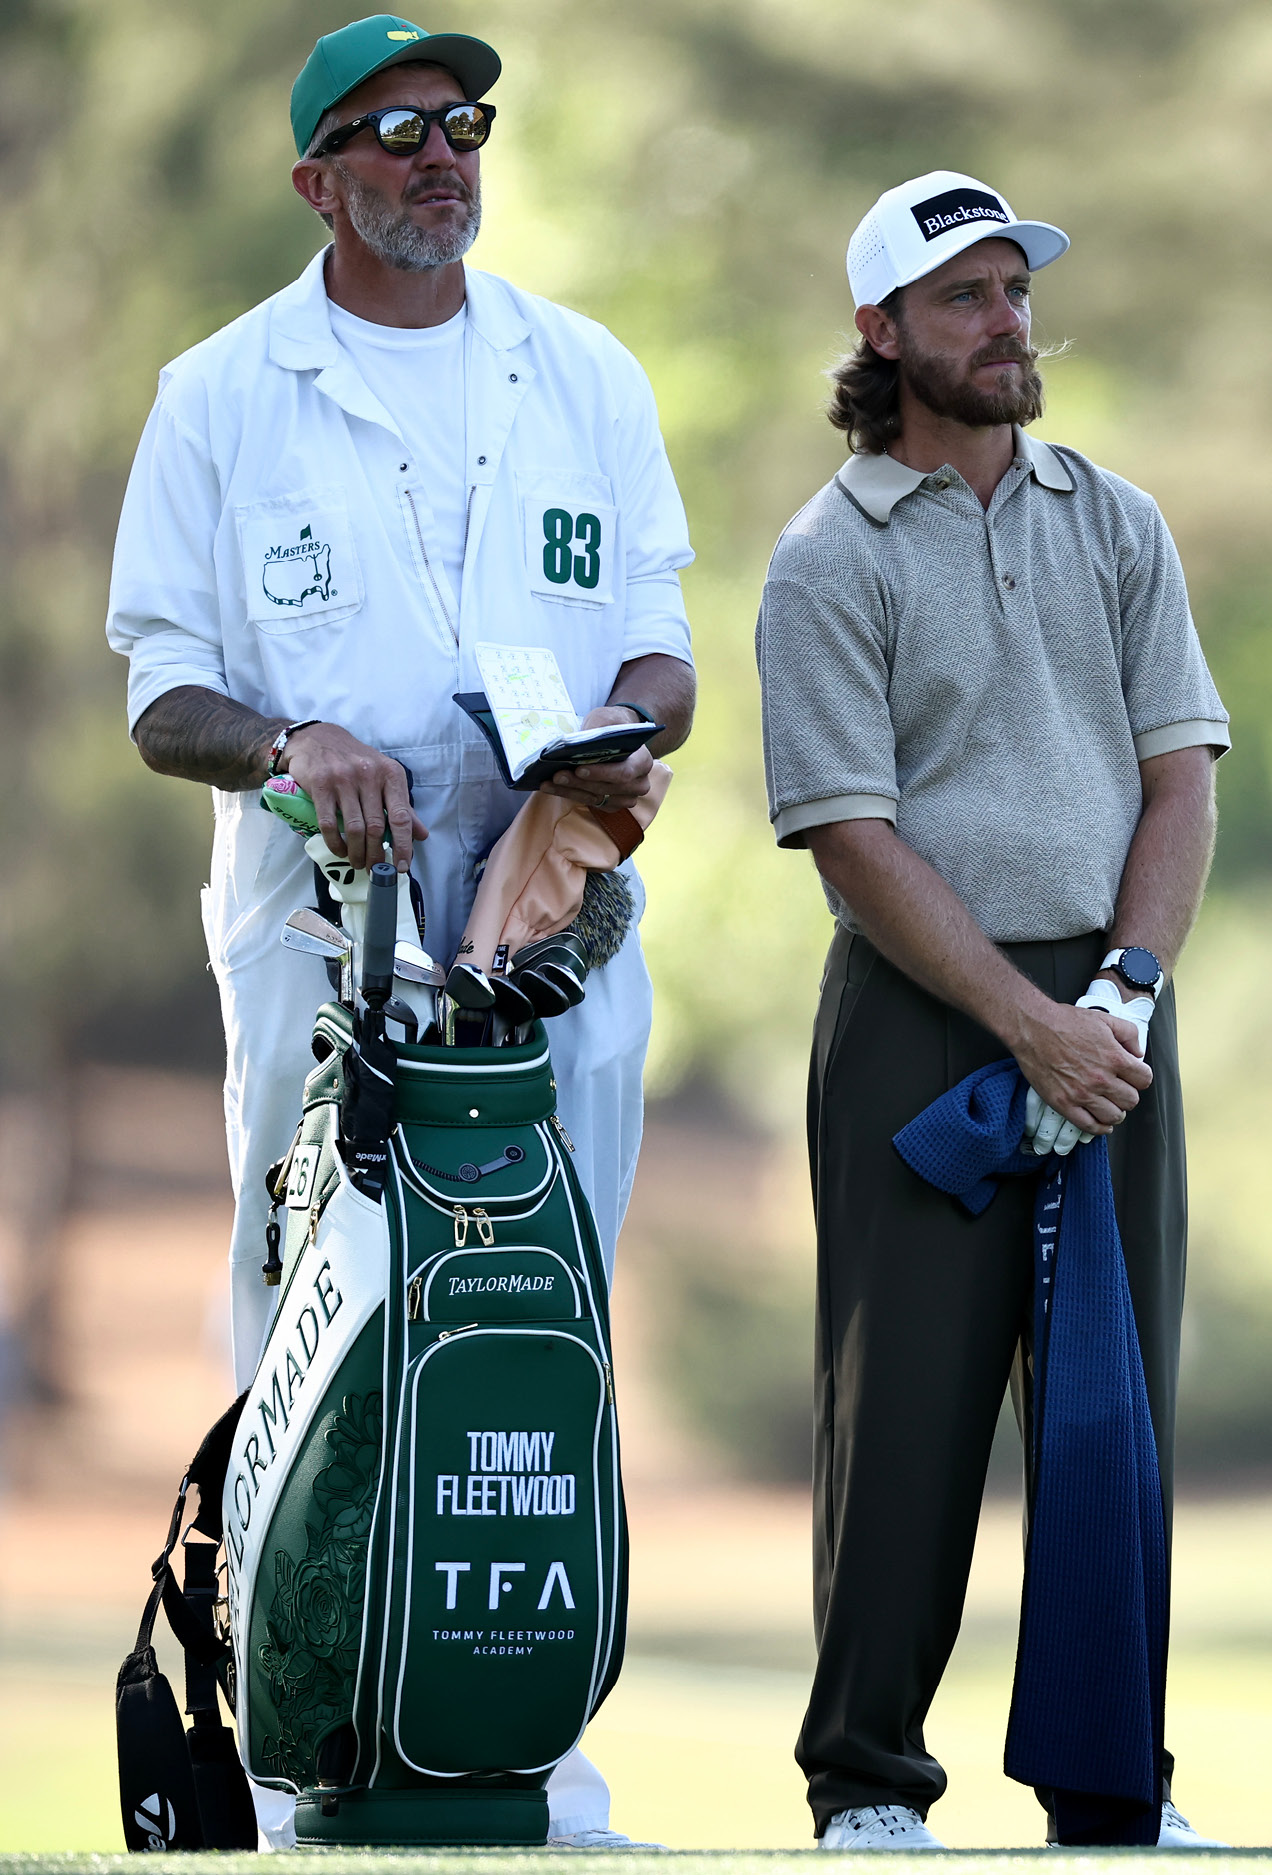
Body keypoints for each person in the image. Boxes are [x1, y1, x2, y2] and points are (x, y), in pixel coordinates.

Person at [101, 14, 690, 1847]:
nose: (445, 153)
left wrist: (618, 742)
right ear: (318, 178)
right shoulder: (223, 389)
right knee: (311, 1296)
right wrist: (297, 744)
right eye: (396, 130)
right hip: (313, 908)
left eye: (465, 123)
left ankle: (534, 1749)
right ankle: (302, 1745)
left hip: (552, 892)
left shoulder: (580, 371)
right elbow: (160, 694)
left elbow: (660, 649)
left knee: (558, 1287)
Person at [755, 171, 1228, 1852]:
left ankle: (1115, 1793)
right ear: (881, 332)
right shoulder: (826, 562)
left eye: (1015, 289)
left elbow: (1179, 779)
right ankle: (866, 1788)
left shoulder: (1116, 521)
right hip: (920, 1021)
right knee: (904, 1423)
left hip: (1111, 1016)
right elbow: (849, 842)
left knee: (1114, 1421)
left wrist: (1118, 992)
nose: (1007, 322)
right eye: (964, 298)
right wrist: (1025, 1027)